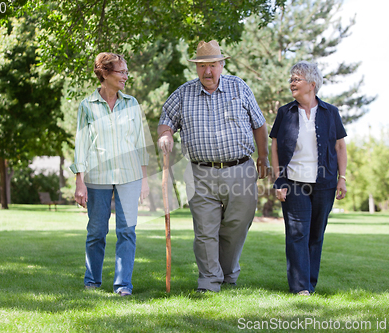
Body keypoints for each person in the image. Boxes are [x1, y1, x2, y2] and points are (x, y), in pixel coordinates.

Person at [157, 40, 269, 292]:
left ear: (222, 65)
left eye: (212, 65)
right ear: (196, 68)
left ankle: (228, 273)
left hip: (240, 169)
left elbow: (259, 124)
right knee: (206, 231)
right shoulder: (183, 94)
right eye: (202, 66)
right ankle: (208, 281)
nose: (207, 71)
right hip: (200, 172)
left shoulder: (239, 88)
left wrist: (263, 157)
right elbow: (166, 121)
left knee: (237, 225)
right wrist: (165, 135)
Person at [70, 52, 150, 296]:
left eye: (126, 71)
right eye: (121, 72)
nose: (126, 76)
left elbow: (141, 142)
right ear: (105, 73)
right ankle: (92, 281)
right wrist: (79, 182)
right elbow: (81, 144)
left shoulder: (132, 103)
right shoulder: (87, 106)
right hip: (97, 178)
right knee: (96, 231)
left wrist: (145, 179)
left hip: (129, 176)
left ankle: (123, 284)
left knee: (127, 231)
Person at [270, 61, 347, 296]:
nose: (292, 82)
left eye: (297, 79)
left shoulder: (330, 112)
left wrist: (342, 178)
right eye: (291, 78)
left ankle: (310, 284)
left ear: (312, 84)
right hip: (293, 181)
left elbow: (340, 147)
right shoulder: (285, 112)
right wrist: (278, 180)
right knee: (297, 234)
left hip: (324, 183)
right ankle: (300, 287)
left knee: (316, 235)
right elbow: (274, 147)